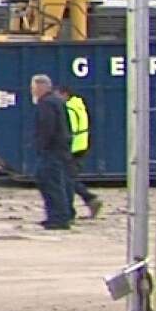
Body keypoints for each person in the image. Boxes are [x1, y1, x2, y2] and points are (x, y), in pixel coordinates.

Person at [29, 73, 76, 230]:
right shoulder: (57, 101)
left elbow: (47, 127)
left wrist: (41, 145)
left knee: (49, 181)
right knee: (61, 182)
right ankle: (63, 214)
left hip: (52, 150)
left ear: (40, 87)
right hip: (61, 148)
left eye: (33, 87)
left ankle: (59, 218)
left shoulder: (46, 104)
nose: (32, 91)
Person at [56, 85, 104, 219]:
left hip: (72, 147)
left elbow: (66, 129)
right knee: (69, 178)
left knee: (67, 179)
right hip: (81, 145)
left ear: (65, 94)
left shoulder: (69, 109)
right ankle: (76, 206)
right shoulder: (78, 105)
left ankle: (89, 199)